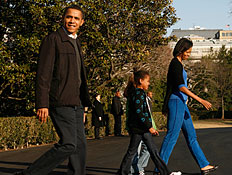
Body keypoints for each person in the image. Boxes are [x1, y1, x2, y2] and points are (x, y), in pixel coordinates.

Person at [15, 5, 91, 175]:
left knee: (80, 145)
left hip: (77, 103)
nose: (72, 21)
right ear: (63, 19)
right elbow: (43, 74)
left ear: (82, 22)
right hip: (61, 101)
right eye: (69, 17)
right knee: (69, 144)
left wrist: (84, 105)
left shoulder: (76, 42)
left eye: (76, 18)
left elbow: (80, 77)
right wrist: (42, 104)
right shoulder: (53, 39)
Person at [158, 38, 218, 175]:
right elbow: (181, 87)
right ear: (181, 50)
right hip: (176, 102)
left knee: (192, 136)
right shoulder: (175, 64)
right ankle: (159, 169)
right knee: (171, 136)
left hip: (182, 104)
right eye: (188, 52)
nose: (189, 54)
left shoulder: (179, 64)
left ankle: (204, 165)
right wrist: (200, 100)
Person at [117, 70, 181, 175]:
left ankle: (165, 172)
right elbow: (140, 113)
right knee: (133, 152)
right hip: (139, 129)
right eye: (147, 81)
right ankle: (122, 172)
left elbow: (144, 112)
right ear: (141, 81)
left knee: (152, 151)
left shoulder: (139, 93)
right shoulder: (138, 94)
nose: (149, 83)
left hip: (142, 129)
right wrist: (149, 127)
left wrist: (150, 127)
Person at [129, 91, 156, 175]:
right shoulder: (136, 95)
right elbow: (139, 113)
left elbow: (149, 114)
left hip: (146, 127)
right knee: (135, 150)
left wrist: (152, 126)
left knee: (148, 149)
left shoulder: (146, 99)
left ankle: (139, 167)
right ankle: (134, 169)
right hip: (138, 128)